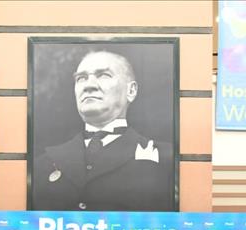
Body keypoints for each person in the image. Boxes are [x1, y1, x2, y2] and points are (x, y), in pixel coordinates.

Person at [32, 49, 174, 212]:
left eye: (104, 75)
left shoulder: (166, 159)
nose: (89, 85)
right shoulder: (43, 163)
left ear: (131, 91)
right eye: (81, 78)